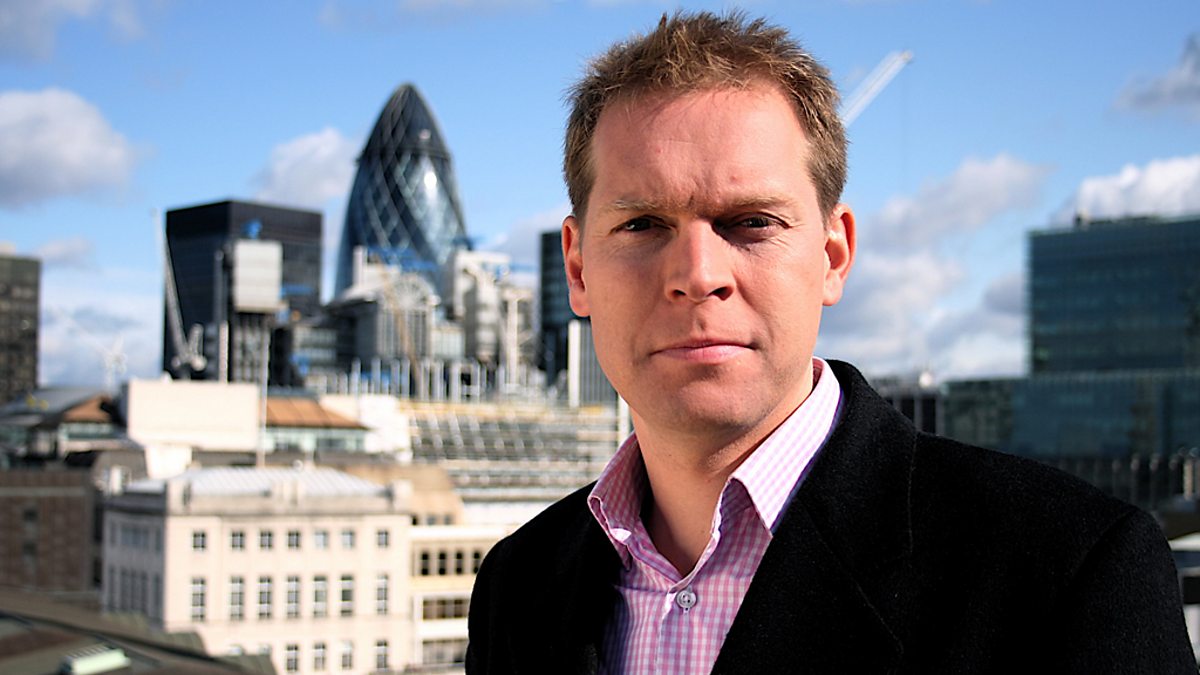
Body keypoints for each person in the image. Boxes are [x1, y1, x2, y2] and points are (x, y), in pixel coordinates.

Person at [467, 11, 1194, 674]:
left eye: (751, 221)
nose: (697, 275)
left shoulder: (1070, 570)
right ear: (578, 270)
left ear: (833, 255)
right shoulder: (517, 584)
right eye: (642, 225)